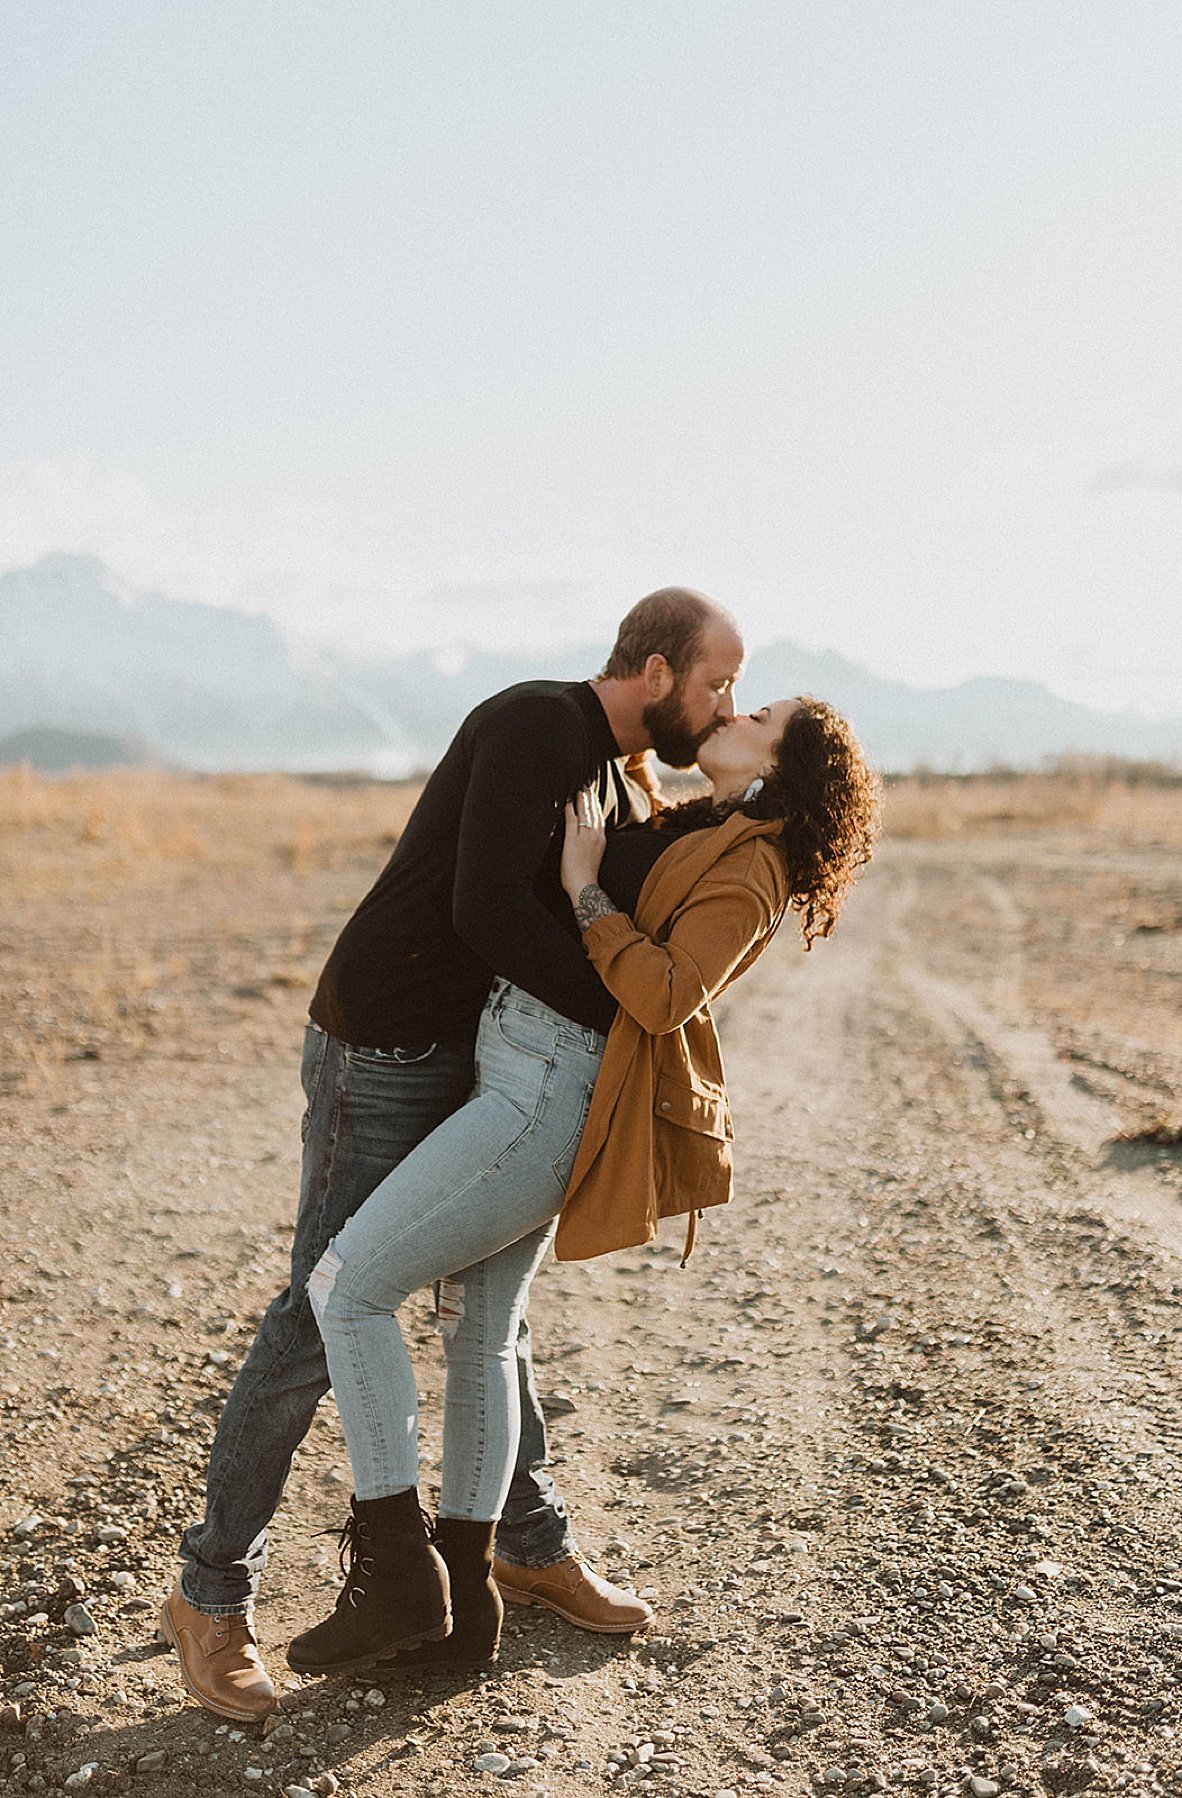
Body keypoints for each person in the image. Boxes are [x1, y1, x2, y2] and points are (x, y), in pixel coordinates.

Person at [161, 588, 745, 1721]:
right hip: (381, 1046)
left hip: (472, 1064)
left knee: (490, 1316)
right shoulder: (539, 723)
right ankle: (210, 1596)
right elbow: (485, 910)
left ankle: (522, 1545)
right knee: (320, 1311)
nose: (723, 702)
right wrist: (621, 1022)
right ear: (659, 667)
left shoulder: (621, 779)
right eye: (717, 681)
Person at [286, 695, 879, 1676]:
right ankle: (464, 1613)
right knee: (481, 1330)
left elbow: (665, 991)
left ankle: (399, 1580)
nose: (736, 709)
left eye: (758, 714)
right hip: (516, 1060)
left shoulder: (758, 869)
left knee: (346, 1291)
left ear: (785, 765)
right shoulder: (700, 819)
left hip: (546, 1092)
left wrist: (583, 889)